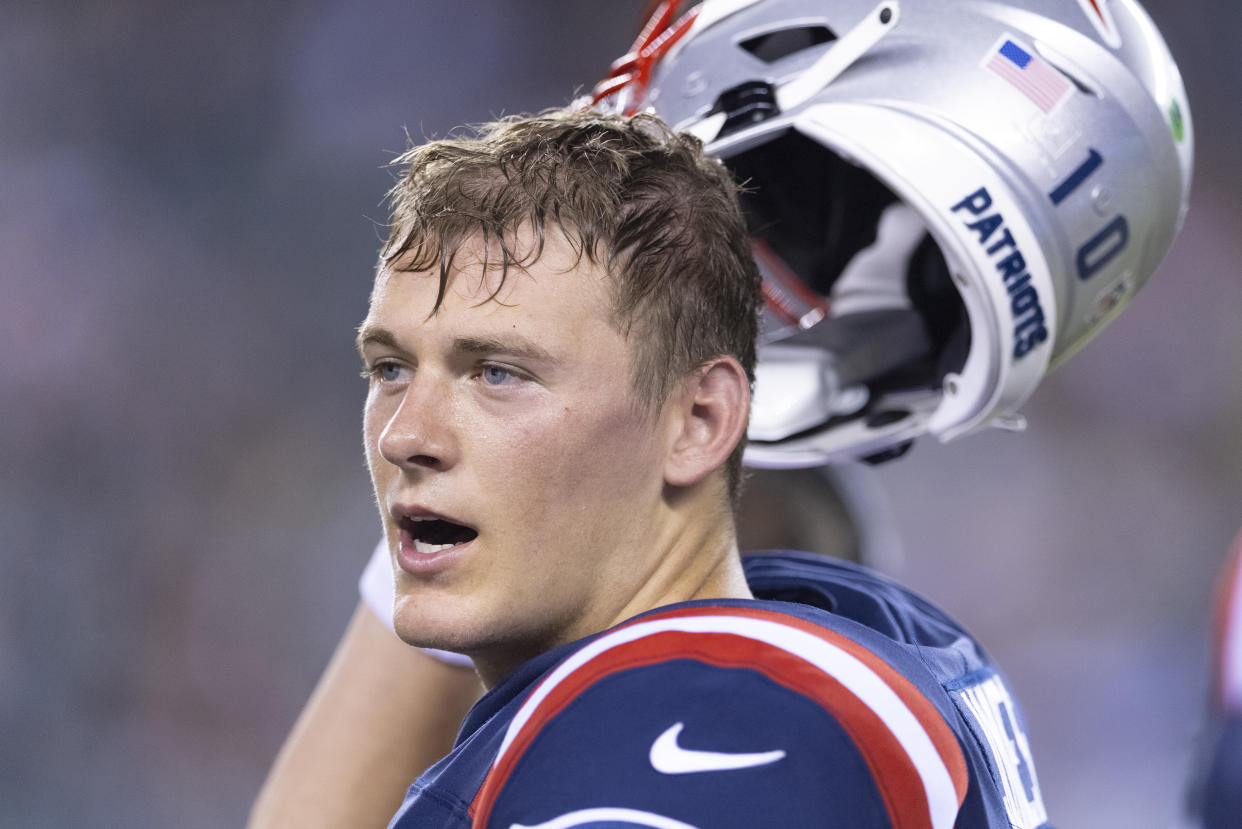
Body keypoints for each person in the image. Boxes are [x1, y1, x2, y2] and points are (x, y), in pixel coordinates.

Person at [251, 2, 1194, 826]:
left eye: (499, 372)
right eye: (387, 367)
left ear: (705, 421)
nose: (402, 435)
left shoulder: (712, 715)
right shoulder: (840, 636)